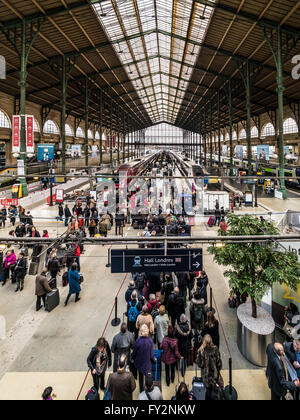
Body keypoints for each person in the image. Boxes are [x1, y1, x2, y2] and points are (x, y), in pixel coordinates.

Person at [132, 324, 156, 393]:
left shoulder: (138, 341)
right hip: (147, 364)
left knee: (140, 378)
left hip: (139, 363)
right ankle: (148, 390)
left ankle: (141, 391)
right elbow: (151, 355)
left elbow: (134, 352)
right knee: (148, 378)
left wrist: (132, 357)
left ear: (141, 332)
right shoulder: (150, 341)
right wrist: (154, 360)